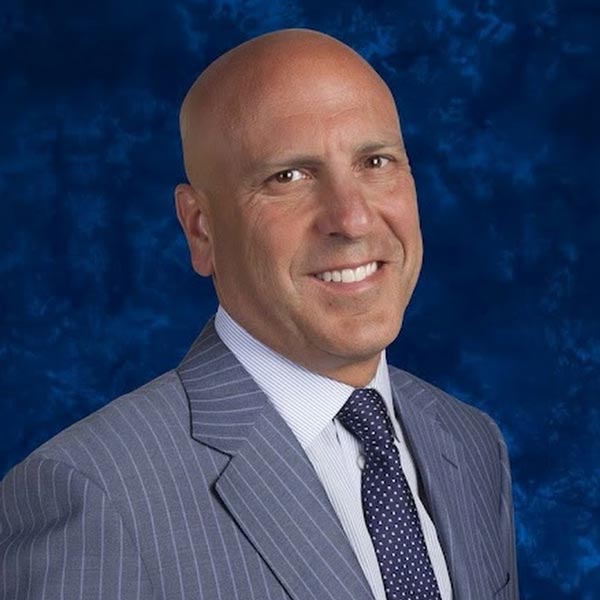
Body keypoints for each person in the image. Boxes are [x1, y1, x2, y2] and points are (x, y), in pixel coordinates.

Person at [0, 29, 518, 599]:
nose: (352, 219)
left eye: (375, 161)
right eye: (288, 177)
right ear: (201, 229)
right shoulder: (95, 492)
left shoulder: (471, 443)